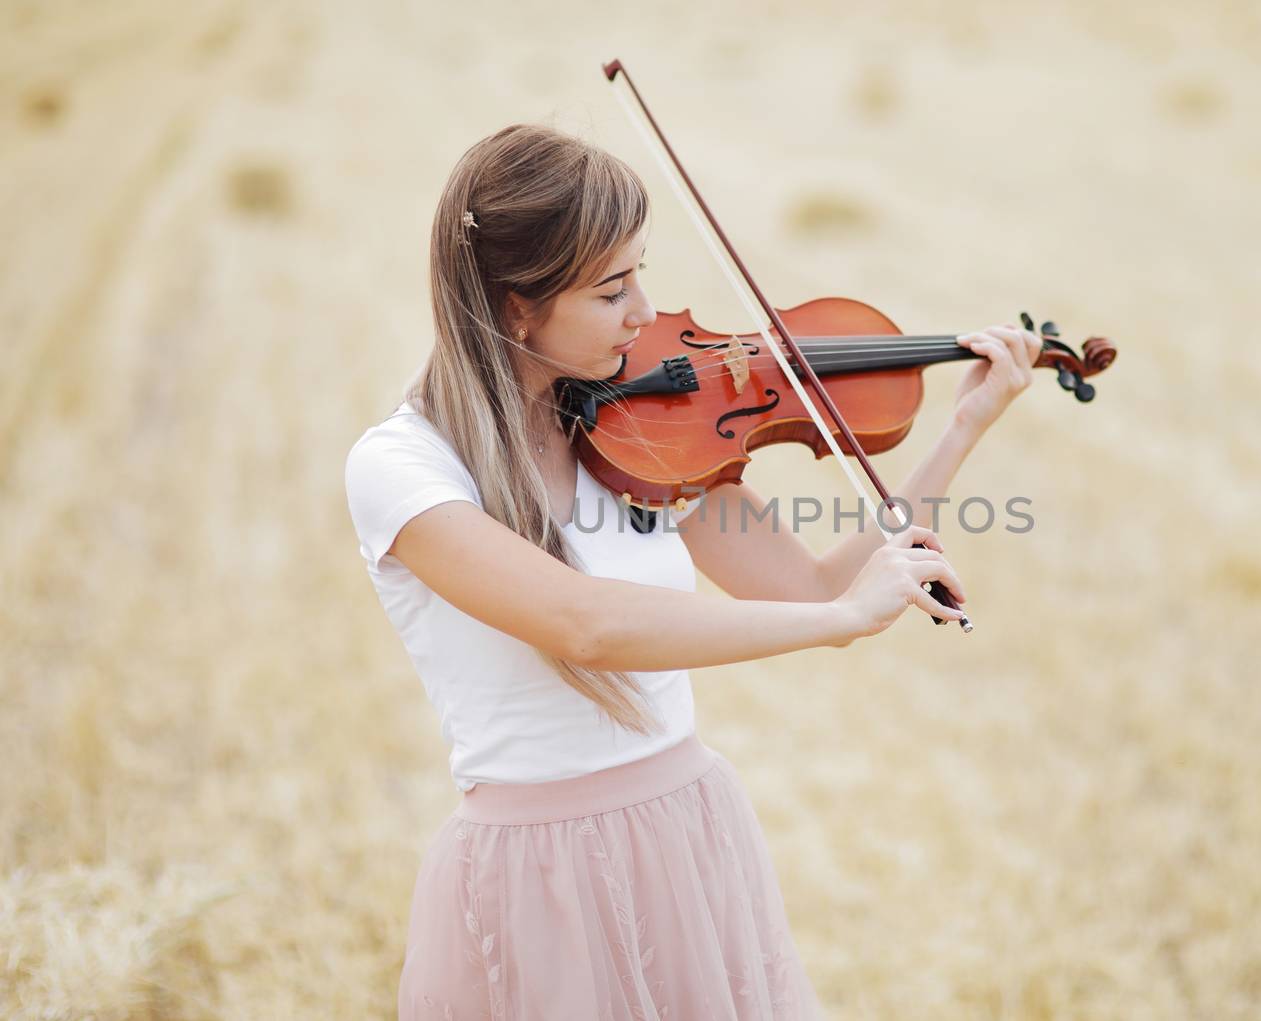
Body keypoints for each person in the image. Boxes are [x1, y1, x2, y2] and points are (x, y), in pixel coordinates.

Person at [344, 123, 1042, 1020]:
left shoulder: (633, 431)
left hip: (686, 830)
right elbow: (584, 623)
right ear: (517, 304)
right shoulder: (402, 469)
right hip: (539, 873)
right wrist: (842, 623)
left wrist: (960, 432)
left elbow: (814, 587)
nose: (644, 312)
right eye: (611, 288)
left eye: (642, 273)